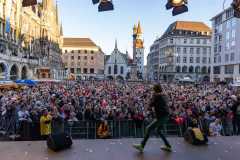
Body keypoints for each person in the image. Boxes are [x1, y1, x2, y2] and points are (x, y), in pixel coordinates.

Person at [133, 84, 172, 152]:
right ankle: (168, 146)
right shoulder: (164, 95)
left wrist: (150, 98)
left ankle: (142, 145)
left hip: (161, 117)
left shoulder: (156, 96)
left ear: (155, 90)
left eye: (153, 90)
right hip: (166, 116)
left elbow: (149, 106)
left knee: (148, 128)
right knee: (158, 131)